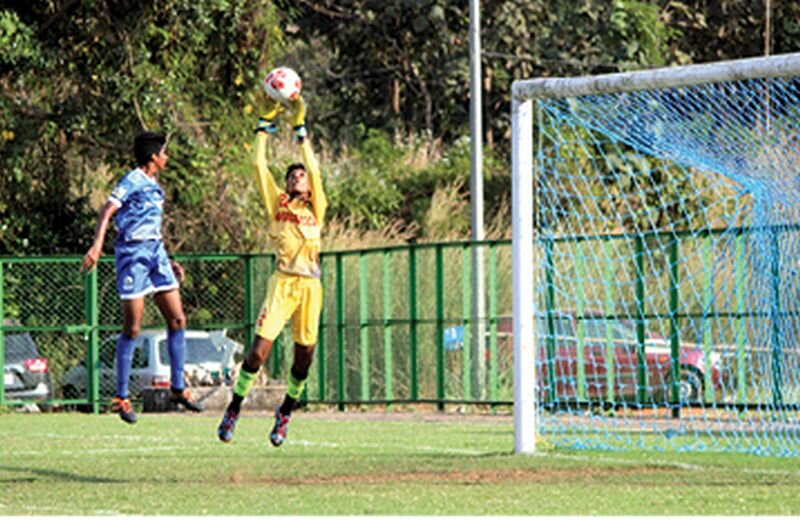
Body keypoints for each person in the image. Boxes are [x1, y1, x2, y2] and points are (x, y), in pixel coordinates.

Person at [217, 94, 326, 447]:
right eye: (292, 175)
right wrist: (263, 126)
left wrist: (301, 129)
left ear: (309, 186)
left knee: (304, 358)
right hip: (282, 285)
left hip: (311, 288)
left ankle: (285, 414)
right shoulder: (278, 204)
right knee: (258, 352)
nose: (298, 176)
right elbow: (258, 167)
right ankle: (234, 408)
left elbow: (314, 168)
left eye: (301, 175)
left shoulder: (317, 207)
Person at [81, 131, 203, 424]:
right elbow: (108, 210)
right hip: (132, 257)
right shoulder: (133, 179)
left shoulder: (155, 184)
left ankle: (177, 389)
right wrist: (98, 246)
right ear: (153, 156)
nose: (167, 157)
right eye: (164, 152)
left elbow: (149, 224)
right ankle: (121, 397)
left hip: (155, 254)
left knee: (178, 320)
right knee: (133, 328)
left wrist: (166, 260)